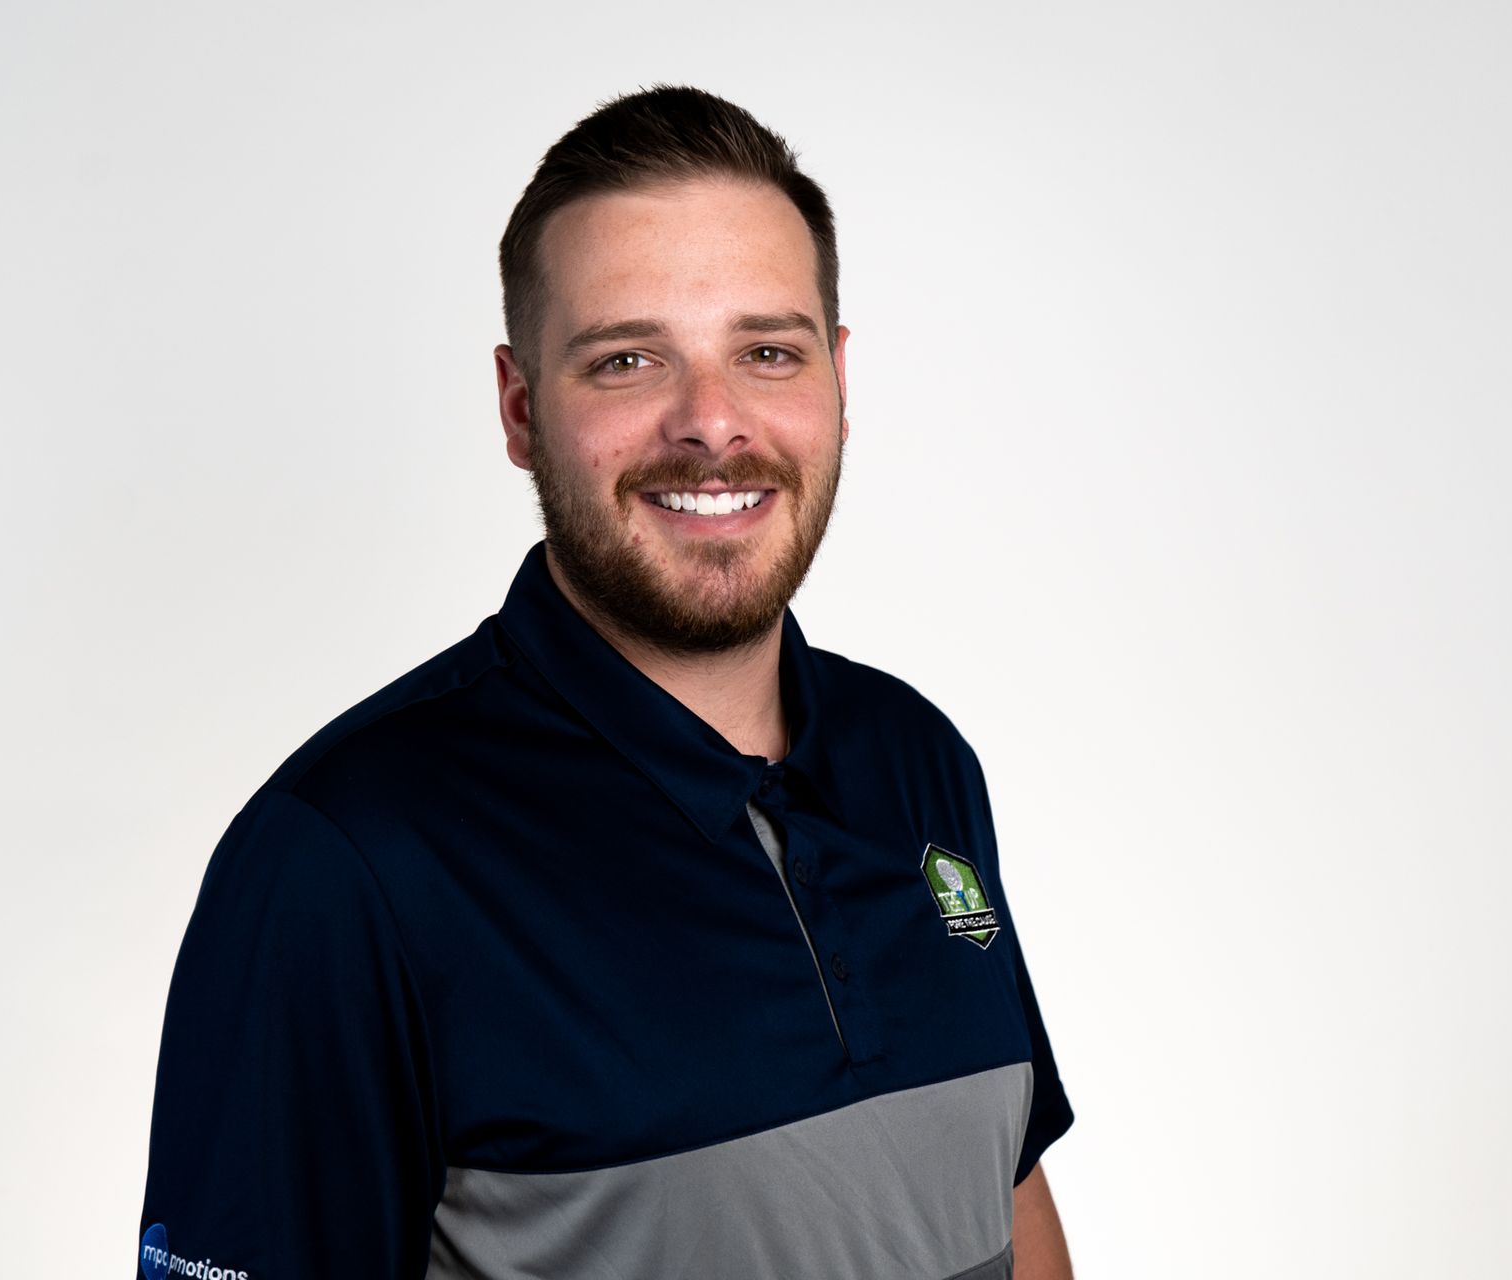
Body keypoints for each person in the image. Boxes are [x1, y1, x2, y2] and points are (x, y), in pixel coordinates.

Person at [136, 85, 1075, 1280]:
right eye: (628, 359)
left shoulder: (919, 757)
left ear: (838, 380)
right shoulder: (344, 859)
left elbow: (1008, 1193)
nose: (711, 423)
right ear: (521, 408)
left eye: (767, 352)